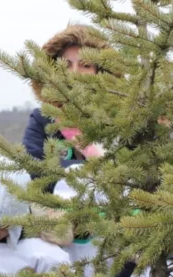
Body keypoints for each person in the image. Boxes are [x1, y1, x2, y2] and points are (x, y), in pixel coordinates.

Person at [22, 25, 109, 171]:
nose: (74, 72)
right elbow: (35, 168)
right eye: (66, 65)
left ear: (99, 72)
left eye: (85, 65)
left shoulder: (120, 120)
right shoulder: (42, 120)